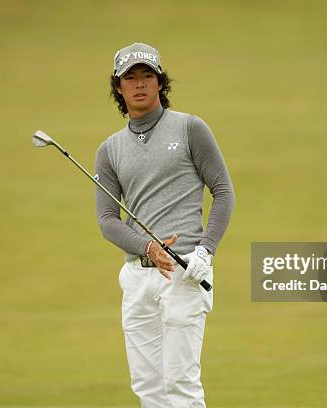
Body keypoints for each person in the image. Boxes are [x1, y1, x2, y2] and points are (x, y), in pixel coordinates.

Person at [95, 42, 235, 407]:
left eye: (147, 76)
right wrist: (147, 247)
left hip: (185, 270)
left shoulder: (190, 128)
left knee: (181, 386)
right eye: (130, 78)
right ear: (119, 87)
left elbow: (223, 191)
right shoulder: (110, 150)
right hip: (137, 278)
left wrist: (206, 250)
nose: (139, 84)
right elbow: (108, 221)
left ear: (160, 83)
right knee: (148, 389)